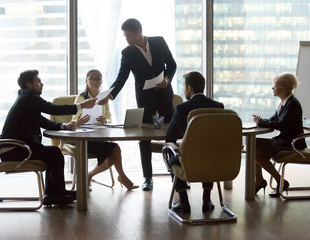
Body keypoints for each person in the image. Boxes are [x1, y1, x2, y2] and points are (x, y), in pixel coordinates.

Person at [99, 18, 177, 191]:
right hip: (146, 101)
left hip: (164, 97)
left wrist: (167, 79)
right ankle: (148, 178)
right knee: (145, 139)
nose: (126, 39)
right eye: (124, 35)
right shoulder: (127, 53)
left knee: (170, 136)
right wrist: (110, 95)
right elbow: (122, 77)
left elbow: (171, 64)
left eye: (128, 35)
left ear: (138, 32)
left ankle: (176, 176)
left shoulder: (158, 42)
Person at [0, 69, 96, 206]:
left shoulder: (25, 98)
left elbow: (41, 121)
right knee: (54, 154)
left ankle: (54, 194)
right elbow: (52, 109)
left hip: (14, 148)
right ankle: (56, 194)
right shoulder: (29, 98)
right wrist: (82, 105)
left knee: (54, 152)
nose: (42, 84)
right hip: (14, 150)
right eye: (38, 81)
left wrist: (64, 126)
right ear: (29, 84)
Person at [166, 71, 224, 213]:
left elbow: (169, 136)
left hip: (189, 161)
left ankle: (184, 201)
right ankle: (207, 199)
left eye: (185, 86)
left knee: (170, 152)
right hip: (214, 160)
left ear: (190, 88)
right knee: (208, 150)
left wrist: (183, 134)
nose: (184, 89)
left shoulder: (182, 108)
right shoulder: (218, 106)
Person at [71, 69, 138, 191]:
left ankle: (90, 176)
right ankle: (122, 177)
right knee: (114, 151)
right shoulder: (81, 97)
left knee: (112, 156)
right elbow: (73, 120)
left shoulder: (104, 98)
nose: (95, 81)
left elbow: (109, 117)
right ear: (86, 81)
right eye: (92, 79)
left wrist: (104, 120)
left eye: (98, 79)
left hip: (100, 134)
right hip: (84, 136)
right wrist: (79, 122)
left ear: (101, 82)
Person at [253, 73, 306, 197]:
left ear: (282, 89)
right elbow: (273, 119)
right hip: (284, 140)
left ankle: (278, 181)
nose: (273, 89)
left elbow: (281, 124)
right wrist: (261, 121)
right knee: (254, 145)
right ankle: (262, 180)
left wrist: (262, 122)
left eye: (274, 87)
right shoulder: (284, 102)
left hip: (292, 143)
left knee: (254, 151)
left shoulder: (292, 104)